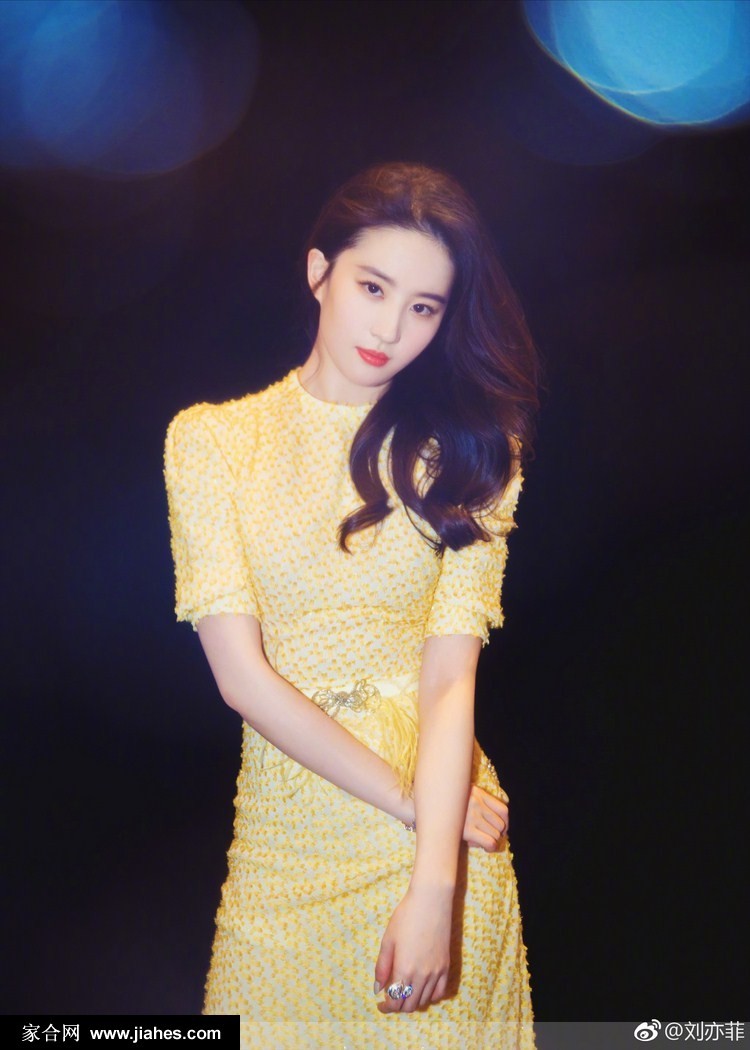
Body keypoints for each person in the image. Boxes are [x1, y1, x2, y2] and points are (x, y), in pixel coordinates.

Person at [164, 162, 539, 1048]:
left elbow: (449, 679)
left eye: (424, 307)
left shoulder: (474, 454)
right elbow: (242, 680)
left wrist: (436, 883)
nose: (390, 328)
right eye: (374, 287)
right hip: (293, 843)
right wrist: (412, 804)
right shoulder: (212, 441)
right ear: (319, 271)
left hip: (442, 848)